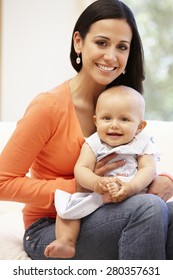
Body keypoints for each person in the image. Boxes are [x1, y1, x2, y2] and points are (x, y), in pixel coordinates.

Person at [0, 0, 173, 260]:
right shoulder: (49, 106)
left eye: (122, 47)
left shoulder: (123, 101)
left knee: (161, 210)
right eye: (101, 43)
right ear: (79, 42)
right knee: (147, 208)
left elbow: (136, 159)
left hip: (112, 211)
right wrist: (80, 186)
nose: (111, 56)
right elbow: (3, 182)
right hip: (54, 227)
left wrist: (165, 180)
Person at [44, 85, 160, 258]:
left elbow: (148, 168)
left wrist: (132, 187)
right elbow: (81, 168)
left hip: (131, 194)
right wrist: (95, 182)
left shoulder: (142, 142)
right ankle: (66, 241)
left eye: (124, 119)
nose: (114, 125)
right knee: (69, 208)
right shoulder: (94, 142)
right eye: (107, 118)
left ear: (140, 126)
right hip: (97, 195)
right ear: (96, 121)